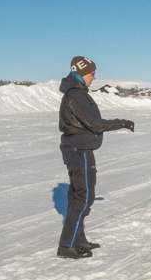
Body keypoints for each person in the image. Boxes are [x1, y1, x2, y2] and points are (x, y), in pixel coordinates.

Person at [57, 56, 134, 259]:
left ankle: (78, 240)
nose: (94, 76)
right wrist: (123, 123)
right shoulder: (77, 95)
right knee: (83, 198)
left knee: (82, 196)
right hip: (79, 150)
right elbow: (96, 124)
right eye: (92, 73)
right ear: (81, 73)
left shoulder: (76, 93)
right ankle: (67, 245)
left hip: (80, 149)